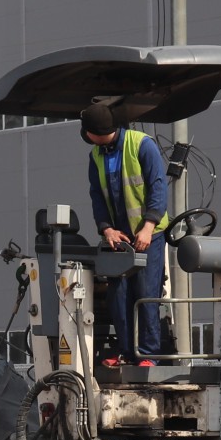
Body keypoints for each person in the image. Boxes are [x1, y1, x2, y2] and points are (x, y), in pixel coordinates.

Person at [81, 102, 169, 366]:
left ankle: (149, 355)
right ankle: (126, 353)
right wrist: (106, 228)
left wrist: (149, 226)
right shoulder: (96, 156)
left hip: (148, 236)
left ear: (94, 132)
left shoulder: (142, 145)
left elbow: (158, 187)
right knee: (118, 296)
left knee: (145, 293)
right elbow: (97, 196)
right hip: (118, 239)